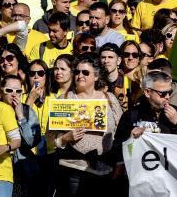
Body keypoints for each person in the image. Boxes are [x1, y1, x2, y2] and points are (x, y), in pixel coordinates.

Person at [47, 54, 123, 196]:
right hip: (73, 168)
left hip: (104, 169)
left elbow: (120, 133)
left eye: (85, 72)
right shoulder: (64, 100)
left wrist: (120, 163)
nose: (80, 75)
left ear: (96, 76)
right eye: (77, 72)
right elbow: (49, 139)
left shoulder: (109, 99)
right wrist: (64, 139)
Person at [112, 70, 177, 146]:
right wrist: (130, 139)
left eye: (169, 92)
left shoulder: (176, 112)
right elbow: (116, 150)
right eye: (163, 93)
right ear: (147, 92)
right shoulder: (131, 115)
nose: (168, 97)